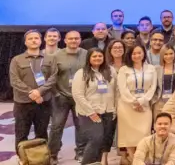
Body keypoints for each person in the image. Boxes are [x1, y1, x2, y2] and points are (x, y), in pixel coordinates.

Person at [10, 29, 57, 147]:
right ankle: (22, 158)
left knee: (42, 133)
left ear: (41, 41)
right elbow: (14, 80)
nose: (33, 40)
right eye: (30, 38)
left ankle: (41, 158)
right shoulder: (17, 59)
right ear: (25, 42)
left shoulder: (50, 59)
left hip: (43, 102)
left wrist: (40, 92)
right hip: (23, 103)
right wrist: (31, 92)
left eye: (36, 38)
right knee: (21, 133)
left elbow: (53, 77)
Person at [72, 48, 117, 165]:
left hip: (108, 111)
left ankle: (97, 163)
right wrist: (90, 112)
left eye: (100, 56)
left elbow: (116, 91)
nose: (97, 58)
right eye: (94, 56)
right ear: (89, 58)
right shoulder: (81, 73)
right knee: (96, 138)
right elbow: (77, 94)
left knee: (104, 141)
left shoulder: (111, 70)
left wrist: (115, 109)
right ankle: (86, 162)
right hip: (89, 113)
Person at [48, 30, 87, 160]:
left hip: (80, 96)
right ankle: (52, 154)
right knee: (56, 127)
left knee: (81, 126)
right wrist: (56, 94)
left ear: (80, 40)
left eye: (76, 38)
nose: (73, 41)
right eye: (70, 39)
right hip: (61, 96)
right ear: (65, 40)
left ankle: (80, 152)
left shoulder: (86, 54)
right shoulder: (56, 56)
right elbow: (50, 77)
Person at [119, 44, 158, 161]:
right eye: (134, 53)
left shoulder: (151, 68)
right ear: (130, 55)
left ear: (144, 54)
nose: (137, 55)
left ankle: (141, 159)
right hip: (127, 106)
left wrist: (142, 101)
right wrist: (134, 102)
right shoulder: (124, 69)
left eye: (139, 53)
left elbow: (153, 87)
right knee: (129, 135)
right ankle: (133, 159)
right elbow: (123, 89)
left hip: (145, 105)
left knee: (144, 134)